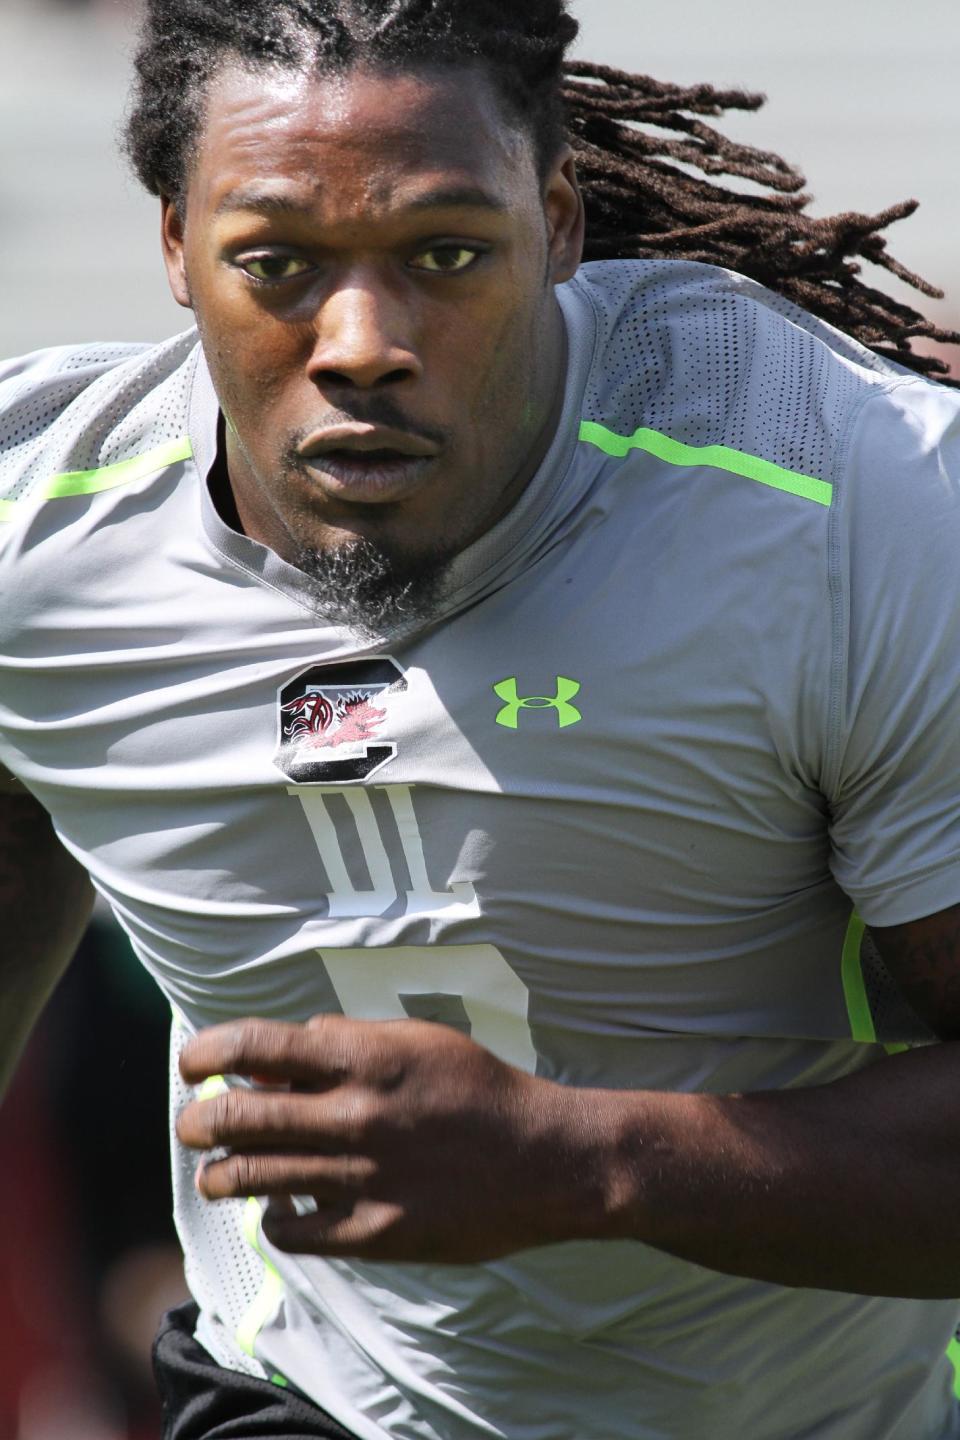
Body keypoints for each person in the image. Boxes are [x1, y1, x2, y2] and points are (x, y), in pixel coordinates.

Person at [2, 1, 960, 1436]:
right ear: (173, 249)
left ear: (558, 225)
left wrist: (578, 1160)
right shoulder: (37, 546)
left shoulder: (855, 508)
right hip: (306, 1396)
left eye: (447, 254)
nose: (363, 343)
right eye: (275, 264)